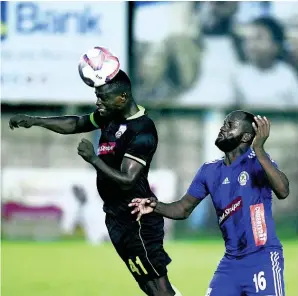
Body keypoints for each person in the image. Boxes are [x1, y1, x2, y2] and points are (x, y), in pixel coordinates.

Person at [9, 70, 181, 296]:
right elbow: (76, 123)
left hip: (138, 218)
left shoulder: (143, 130)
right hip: (116, 215)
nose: (98, 102)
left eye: (103, 97)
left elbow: (128, 180)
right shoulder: (109, 115)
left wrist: (93, 159)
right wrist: (35, 121)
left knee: (158, 286)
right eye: (97, 96)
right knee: (146, 283)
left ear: (123, 97)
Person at [129, 110, 289, 296]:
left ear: (246, 136)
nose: (223, 128)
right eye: (224, 123)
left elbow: (283, 190)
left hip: (262, 257)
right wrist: (155, 205)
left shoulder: (257, 162)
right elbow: (183, 208)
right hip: (231, 263)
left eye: (230, 125)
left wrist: (259, 149)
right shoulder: (209, 170)